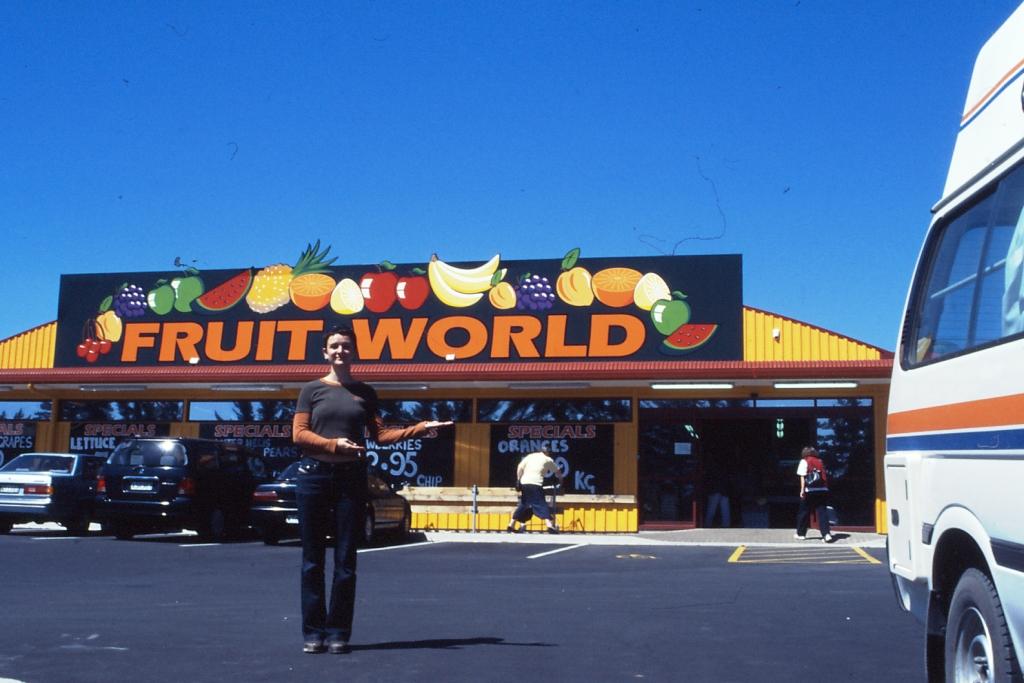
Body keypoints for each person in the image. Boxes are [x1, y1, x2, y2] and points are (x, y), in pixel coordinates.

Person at [292, 325, 452, 654]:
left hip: (351, 479)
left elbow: (379, 436)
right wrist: (334, 445)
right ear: (325, 352)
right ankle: (313, 632)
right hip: (313, 477)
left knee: (346, 560)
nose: (340, 351)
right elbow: (299, 435)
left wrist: (420, 429)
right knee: (312, 560)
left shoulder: (366, 392)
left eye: (346, 346)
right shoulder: (311, 390)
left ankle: (338, 633)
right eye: (334, 346)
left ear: (354, 352)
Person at [507, 451, 564, 534]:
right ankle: (549, 526)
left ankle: (511, 525)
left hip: (525, 483)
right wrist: (561, 481)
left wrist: (518, 480)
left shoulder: (530, 456)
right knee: (541, 503)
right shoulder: (547, 459)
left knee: (524, 504)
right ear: (548, 453)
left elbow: (520, 467)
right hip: (536, 483)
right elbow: (557, 471)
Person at [794, 446, 835, 543]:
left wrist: (802, 490)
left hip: (810, 490)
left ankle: (801, 534)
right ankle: (826, 534)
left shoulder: (804, 461)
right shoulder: (820, 461)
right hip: (822, 489)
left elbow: (803, 477)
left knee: (803, 512)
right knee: (822, 512)